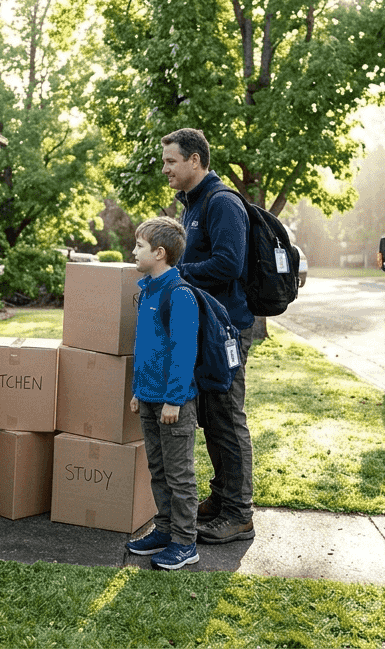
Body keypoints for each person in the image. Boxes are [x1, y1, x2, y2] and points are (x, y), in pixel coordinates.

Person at [160, 127, 256, 544]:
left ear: (195, 160)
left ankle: (239, 513)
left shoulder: (221, 203)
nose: (165, 168)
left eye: (171, 161)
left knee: (227, 418)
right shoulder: (192, 205)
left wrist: (177, 273)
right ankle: (222, 499)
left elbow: (229, 264)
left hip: (228, 330)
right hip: (208, 328)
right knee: (213, 419)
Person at [125, 217, 201, 570]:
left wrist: (174, 398)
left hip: (174, 403)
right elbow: (145, 349)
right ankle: (165, 529)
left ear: (159, 253)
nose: (134, 251)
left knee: (179, 473)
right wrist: (139, 391)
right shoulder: (146, 292)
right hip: (150, 399)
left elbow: (183, 352)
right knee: (157, 469)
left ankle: (185, 542)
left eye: (139, 246)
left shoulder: (179, 294)